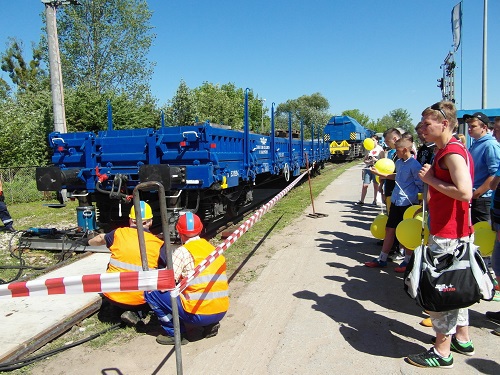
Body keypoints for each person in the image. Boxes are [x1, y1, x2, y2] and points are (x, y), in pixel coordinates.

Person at [406, 101, 475, 369]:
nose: (421, 128)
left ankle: (442, 352)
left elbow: (465, 192)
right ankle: (462, 338)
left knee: (443, 291)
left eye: (426, 124)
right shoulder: (448, 150)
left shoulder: (452, 153)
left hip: (449, 234)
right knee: (457, 287)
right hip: (453, 231)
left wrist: (430, 180)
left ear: (444, 124)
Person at [145, 212, 229, 345]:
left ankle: (175, 333)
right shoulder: (213, 249)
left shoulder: (182, 252)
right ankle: (210, 325)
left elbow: (167, 283)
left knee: (151, 293)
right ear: (200, 229)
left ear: (179, 231)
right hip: (221, 311)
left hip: (198, 315)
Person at [85, 201, 166, 325]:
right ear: (150, 221)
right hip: (138, 300)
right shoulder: (157, 244)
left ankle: (115, 308)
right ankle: (137, 313)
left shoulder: (118, 233)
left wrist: (89, 242)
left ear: (130, 220)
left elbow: (101, 238)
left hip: (110, 294)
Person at [364, 137, 423, 272]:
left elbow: (420, 185)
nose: (395, 152)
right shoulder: (400, 162)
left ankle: (407, 261)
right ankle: (382, 259)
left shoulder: (415, 165)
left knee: (408, 231)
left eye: (397, 150)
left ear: (405, 149)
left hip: (408, 203)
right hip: (397, 201)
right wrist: (380, 174)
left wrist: (419, 202)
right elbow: (396, 176)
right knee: (389, 229)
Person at [465, 112, 500, 224]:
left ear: (484, 127)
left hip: (483, 199)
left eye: (473, 126)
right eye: (469, 126)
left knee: (482, 234)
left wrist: (477, 193)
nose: (469, 129)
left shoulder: (490, 145)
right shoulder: (475, 144)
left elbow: (494, 174)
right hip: (474, 197)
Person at [357, 135, 384, 206]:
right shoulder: (369, 148)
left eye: (373, 140)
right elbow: (365, 160)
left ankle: (375, 200)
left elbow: (383, 160)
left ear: (377, 141)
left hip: (376, 169)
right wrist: (368, 161)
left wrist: (375, 160)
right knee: (365, 185)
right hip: (368, 168)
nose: (372, 142)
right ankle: (362, 200)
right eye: (371, 140)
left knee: (376, 185)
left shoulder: (380, 149)